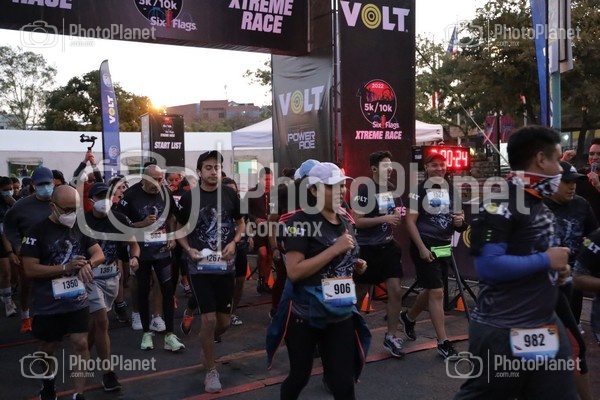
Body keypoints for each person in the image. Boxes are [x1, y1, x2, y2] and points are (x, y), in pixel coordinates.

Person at [455, 125, 577, 399]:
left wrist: (557, 271)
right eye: (558, 160)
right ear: (541, 159)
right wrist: (546, 260)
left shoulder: (538, 202)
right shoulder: (500, 202)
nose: (561, 169)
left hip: (543, 324)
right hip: (503, 330)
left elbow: (534, 257)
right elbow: (488, 266)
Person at [266, 161, 370, 400]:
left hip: (340, 312)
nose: (341, 191)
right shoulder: (299, 222)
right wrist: (335, 250)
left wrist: (355, 263)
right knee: (300, 376)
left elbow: (340, 258)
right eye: (332, 186)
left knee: (343, 382)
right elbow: (294, 271)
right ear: (314, 190)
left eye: (342, 185)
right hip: (305, 315)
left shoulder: (345, 220)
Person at [21, 185, 105, 400]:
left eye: (75, 209)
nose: (71, 215)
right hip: (48, 303)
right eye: (67, 210)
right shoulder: (36, 232)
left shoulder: (81, 227)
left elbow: (98, 254)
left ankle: (78, 393)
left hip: (77, 300)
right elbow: (29, 269)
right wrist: (65, 268)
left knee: (81, 343)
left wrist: (88, 264)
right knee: (48, 348)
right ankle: (48, 381)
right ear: (53, 206)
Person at [176, 151, 245, 393]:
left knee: (223, 323)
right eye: (208, 167)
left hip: (225, 267)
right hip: (199, 268)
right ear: (199, 171)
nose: (213, 171)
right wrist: (188, 249)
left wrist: (234, 242)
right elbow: (179, 229)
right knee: (208, 319)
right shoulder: (189, 198)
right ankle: (211, 370)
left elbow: (241, 223)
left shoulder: (230, 194)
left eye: (217, 167)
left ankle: (206, 343)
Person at [402, 152, 466, 360]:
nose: (439, 168)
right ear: (426, 168)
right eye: (434, 165)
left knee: (432, 290)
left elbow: (460, 219)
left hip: (443, 246)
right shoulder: (418, 191)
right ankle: (443, 342)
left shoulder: (451, 189)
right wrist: (421, 247)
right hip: (425, 245)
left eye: (442, 165)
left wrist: (460, 221)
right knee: (437, 292)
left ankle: (409, 317)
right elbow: (409, 222)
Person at [115, 164, 184, 352]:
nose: (158, 184)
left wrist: (171, 236)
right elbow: (119, 225)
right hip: (141, 252)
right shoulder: (130, 196)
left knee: (167, 290)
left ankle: (170, 335)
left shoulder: (165, 192)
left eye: (160, 179)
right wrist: (141, 224)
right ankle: (146, 333)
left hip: (162, 250)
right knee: (143, 290)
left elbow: (171, 216)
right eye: (154, 180)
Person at [543, 161, 596, 400]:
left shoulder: (582, 205)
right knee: (545, 350)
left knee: (573, 346)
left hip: (571, 285)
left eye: (574, 182)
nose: (572, 186)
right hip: (541, 289)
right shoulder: (537, 207)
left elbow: (594, 238)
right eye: (566, 182)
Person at [83, 182, 140, 392]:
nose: (104, 201)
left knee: (95, 324)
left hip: (111, 277)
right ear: (91, 201)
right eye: (100, 197)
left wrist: (134, 257)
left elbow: (134, 244)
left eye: (107, 196)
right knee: (102, 320)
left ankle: (82, 355)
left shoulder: (120, 219)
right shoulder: (82, 222)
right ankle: (108, 374)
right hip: (89, 276)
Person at [351, 151, 406, 358]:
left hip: (388, 247)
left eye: (391, 165)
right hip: (367, 249)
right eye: (385, 165)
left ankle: (391, 336)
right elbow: (357, 221)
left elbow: (393, 215)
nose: (390, 169)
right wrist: (384, 219)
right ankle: (349, 332)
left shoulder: (391, 189)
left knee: (396, 291)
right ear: (374, 168)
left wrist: (395, 216)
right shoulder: (365, 189)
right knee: (360, 293)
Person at [3, 167, 55, 333]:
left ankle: (54, 317)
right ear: (33, 185)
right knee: (27, 286)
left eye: (47, 183)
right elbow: (9, 227)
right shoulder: (21, 206)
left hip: (55, 251)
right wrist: (17, 245)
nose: (45, 187)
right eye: (40, 184)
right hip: (30, 253)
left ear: (53, 182)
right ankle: (26, 316)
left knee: (54, 285)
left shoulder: (60, 201)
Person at [222, 177, 252, 326]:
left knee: (240, 281)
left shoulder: (241, 203)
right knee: (226, 283)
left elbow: (246, 221)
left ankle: (232, 313)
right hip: (223, 249)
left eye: (234, 190)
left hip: (240, 247)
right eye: (229, 190)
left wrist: (250, 236)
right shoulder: (218, 204)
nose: (232, 193)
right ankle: (221, 312)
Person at [246, 167, 274, 294]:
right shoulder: (252, 193)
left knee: (270, 255)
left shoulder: (275, 193)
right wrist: (255, 219)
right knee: (263, 253)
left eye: (270, 179)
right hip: (258, 229)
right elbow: (244, 210)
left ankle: (265, 283)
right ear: (259, 179)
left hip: (272, 229)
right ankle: (261, 280)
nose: (268, 182)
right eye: (265, 179)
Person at [0, 176, 17, 316]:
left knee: (14, 272)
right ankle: (8, 302)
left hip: (13, 240)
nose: (9, 192)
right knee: (5, 271)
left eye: (11, 189)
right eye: (6, 190)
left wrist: (14, 204)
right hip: (2, 241)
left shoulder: (15, 202)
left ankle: (7, 292)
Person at [573, 138, 600, 221]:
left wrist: (598, 185)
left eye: (599, 154)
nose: (594, 157)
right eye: (591, 154)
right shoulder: (580, 175)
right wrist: (563, 160)